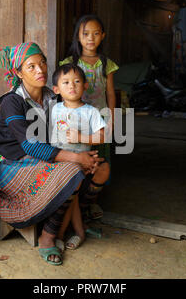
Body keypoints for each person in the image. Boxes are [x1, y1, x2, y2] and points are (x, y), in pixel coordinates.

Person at [0, 42, 102, 266]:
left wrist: (85, 153)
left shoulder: (53, 97)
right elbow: (30, 146)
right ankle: (48, 237)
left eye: (42, 62)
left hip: (43, 159)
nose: (40, 70)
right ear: (19, 73)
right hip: (12, 166)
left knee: (94, 166)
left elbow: (64, 130)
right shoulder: (12, 102)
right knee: (71, 170)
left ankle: (76, 222)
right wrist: (77, 158)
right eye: (31, 66)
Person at [60, 14, 119, 220]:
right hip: (78, 120)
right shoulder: (70, 62)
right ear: (78, 36)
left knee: (100, 159)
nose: (90, 38)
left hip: (100, 120)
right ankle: (74, 199)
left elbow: (111, 92)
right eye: (85, 34)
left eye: (95, 34)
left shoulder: (106, 63)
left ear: (103, 36)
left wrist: (111, 117)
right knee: (81, 158)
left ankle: (92, 202)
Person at [50, 63, 110, 250]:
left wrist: (81, 137)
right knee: (72, 184)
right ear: (56, 89)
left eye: (77, 81)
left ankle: (71, 229)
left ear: (85, 86)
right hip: (62, 162)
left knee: (102, 169)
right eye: (66, 82)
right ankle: (78, 231)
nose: (72, 86)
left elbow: (103, 136)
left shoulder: (90, 111)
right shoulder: (54, 109)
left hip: (84, 160)